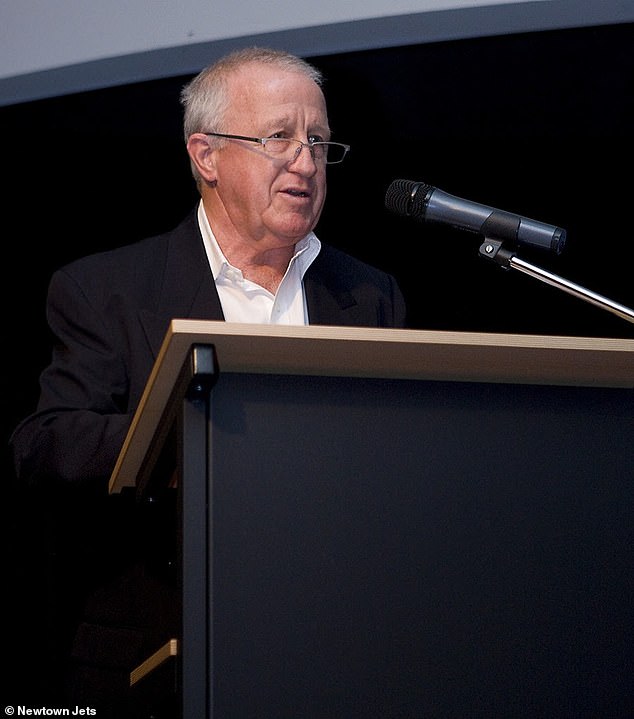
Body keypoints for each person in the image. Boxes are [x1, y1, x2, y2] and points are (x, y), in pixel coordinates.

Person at [9, 46, 407, 715]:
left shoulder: (369, 295)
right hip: (160, 657)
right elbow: (45, 442)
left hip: (331, 653)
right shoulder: (107, 289)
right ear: (206, 156)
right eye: (279, 137)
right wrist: (200, 440)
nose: (306, 162)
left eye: (318, 140)